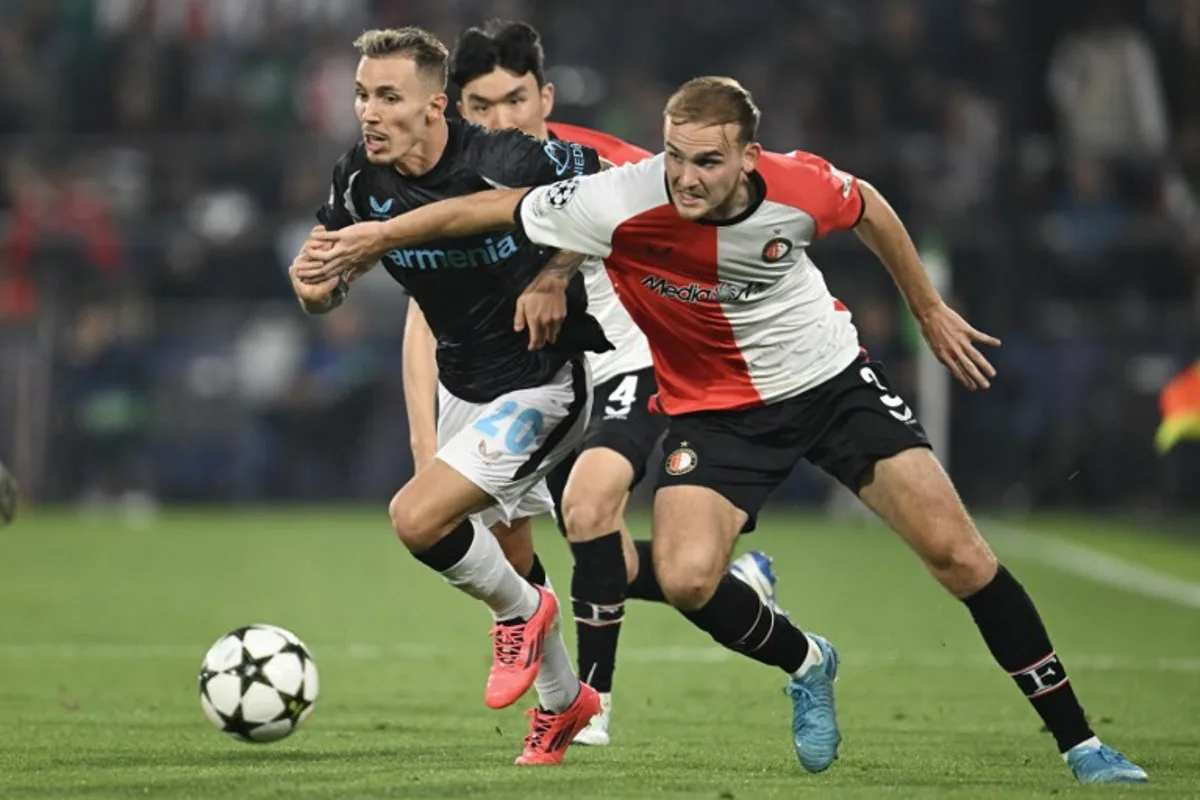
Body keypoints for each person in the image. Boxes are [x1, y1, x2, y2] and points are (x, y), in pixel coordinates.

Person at [297, 75, 1150, 784]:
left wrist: (926, 307)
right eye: (674, 155)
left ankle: (1082, 742)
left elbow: (873, 207)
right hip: (713, 411)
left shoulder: (801, 188)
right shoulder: (620, 200)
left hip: (829, 385)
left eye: (707, 161)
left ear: (749, 156)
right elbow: (481, 213)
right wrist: (375, 236)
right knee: (689, 577)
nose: (687, 177)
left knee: (960, 556)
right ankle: (810, 662)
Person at [415, 19, 782, 747]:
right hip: (543, 375)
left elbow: (702, 243)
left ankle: (592, 702)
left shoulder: (609, 163)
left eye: (515, 100)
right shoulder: (454, 180)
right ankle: (738, 588)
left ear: (545, 96)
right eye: (482, 107)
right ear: (460, 112)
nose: (501, 120)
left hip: (632, 357)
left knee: (588, 509)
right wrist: (425, 437)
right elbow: (423, 313)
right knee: (553, 551)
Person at [288, 26, 612, 766]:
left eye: (389, 97)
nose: (369, 111)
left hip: (544, 378)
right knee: (507, 550)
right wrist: (312, 289)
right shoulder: (357, 182)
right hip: (464, 388)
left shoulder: (498, 155)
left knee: (416, 518)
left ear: (436, 106)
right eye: (363, 95)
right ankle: (566, 704)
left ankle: (525, 614)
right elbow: (324, 287)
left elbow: (598, 193)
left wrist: (554, 274)